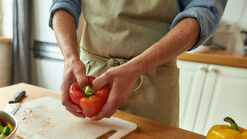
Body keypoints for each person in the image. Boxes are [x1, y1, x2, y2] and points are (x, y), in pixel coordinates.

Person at [49, 0, 227, 127]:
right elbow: (63, 2)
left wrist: (136, 67)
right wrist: (70, 57)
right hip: (91, 77)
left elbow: (203, 11)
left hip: (154, 84)